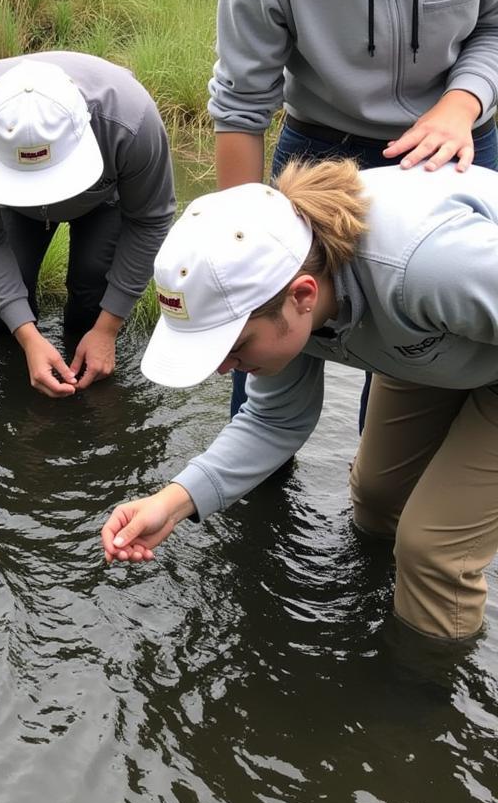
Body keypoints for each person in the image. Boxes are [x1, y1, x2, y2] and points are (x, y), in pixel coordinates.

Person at [102, 159, 498, 642]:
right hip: (435, 343)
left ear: (303, 296)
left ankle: (426, 695)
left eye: (235, 346)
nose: (224, 369)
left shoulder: (428, 267)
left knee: (432, 551)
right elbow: (273, 422)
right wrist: (171, 502)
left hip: (450, 327)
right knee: (376, 499)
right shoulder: (287, 275)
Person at [208, 0, 498, 420]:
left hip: (455, 141)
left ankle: (384, 475)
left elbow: (495, 25)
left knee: (416, 347)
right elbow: (240, 106)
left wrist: (462, 102)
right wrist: (242, 247)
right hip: (320, 145)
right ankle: (250, 493)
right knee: (261, 336)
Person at [0, 53, 176, 398]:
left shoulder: (130, 120)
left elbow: (150, 220)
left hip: (102, 198)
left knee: (92, 307)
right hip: (16, 208)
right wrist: (28, 337)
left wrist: (108, 329)